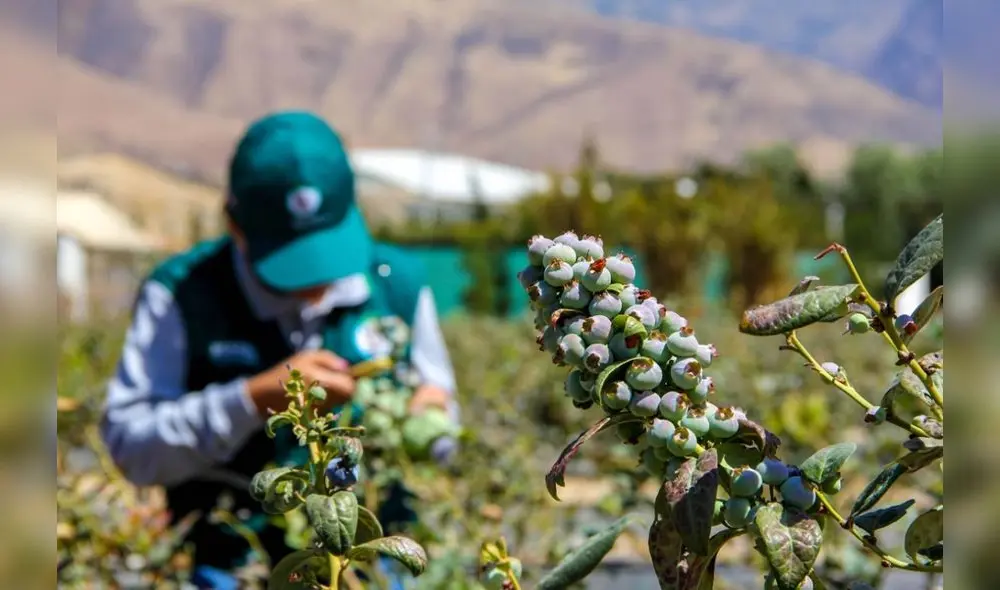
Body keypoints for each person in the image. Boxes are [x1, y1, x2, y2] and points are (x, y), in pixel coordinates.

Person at [100, 111, 458, 589]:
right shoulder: (181, 294)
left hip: (373, 571)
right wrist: (250, 400)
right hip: (233, 569)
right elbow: (132, 448)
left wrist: (430, 421)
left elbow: (445, 417)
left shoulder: (400, 284)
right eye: (290, 258)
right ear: (234, 224)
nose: (314, 280)